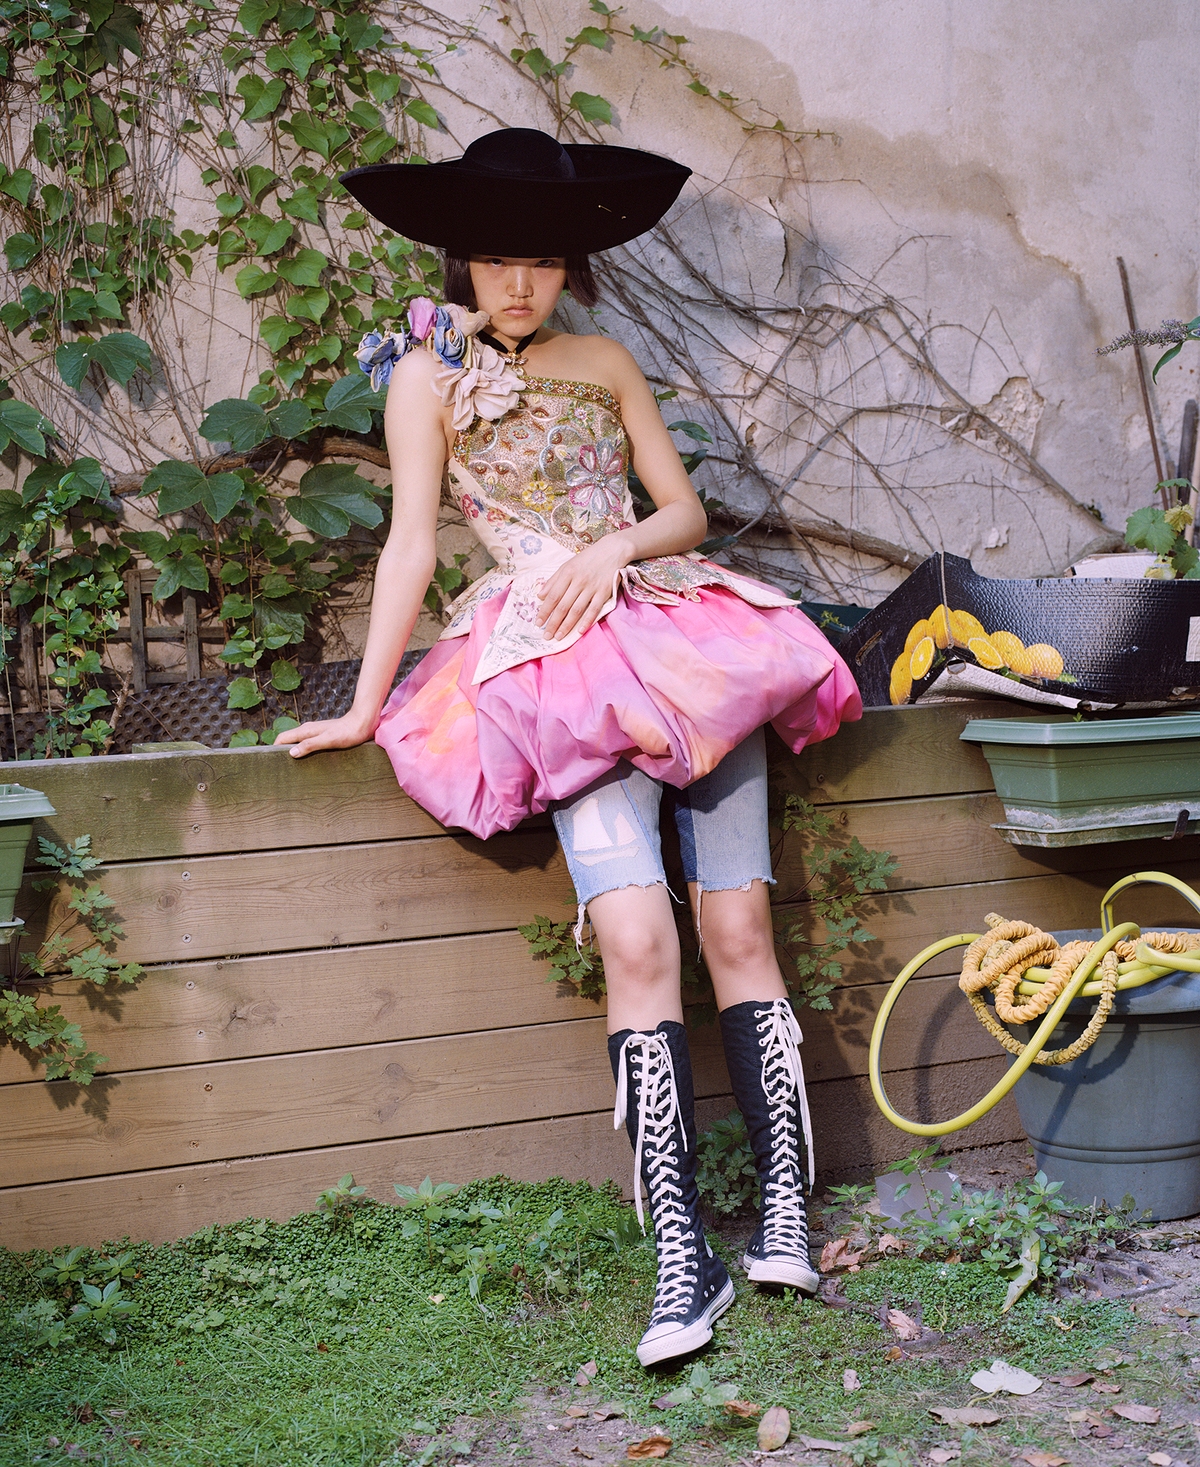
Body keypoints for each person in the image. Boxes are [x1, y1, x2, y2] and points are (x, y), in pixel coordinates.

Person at [278, 127, 862, 1367]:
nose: (516, 283)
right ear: (459, 262)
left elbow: (685, 509)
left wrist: (615, 548)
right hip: (555, 669)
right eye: (492, 259)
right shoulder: (424, 377)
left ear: (568, 261)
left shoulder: (605, 358)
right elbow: (412, 548)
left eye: (538, 257)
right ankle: (678, 1253)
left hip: (684, 640)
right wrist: (366, 700)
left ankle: (780, 1217)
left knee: (739, 929)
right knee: (639, 938)